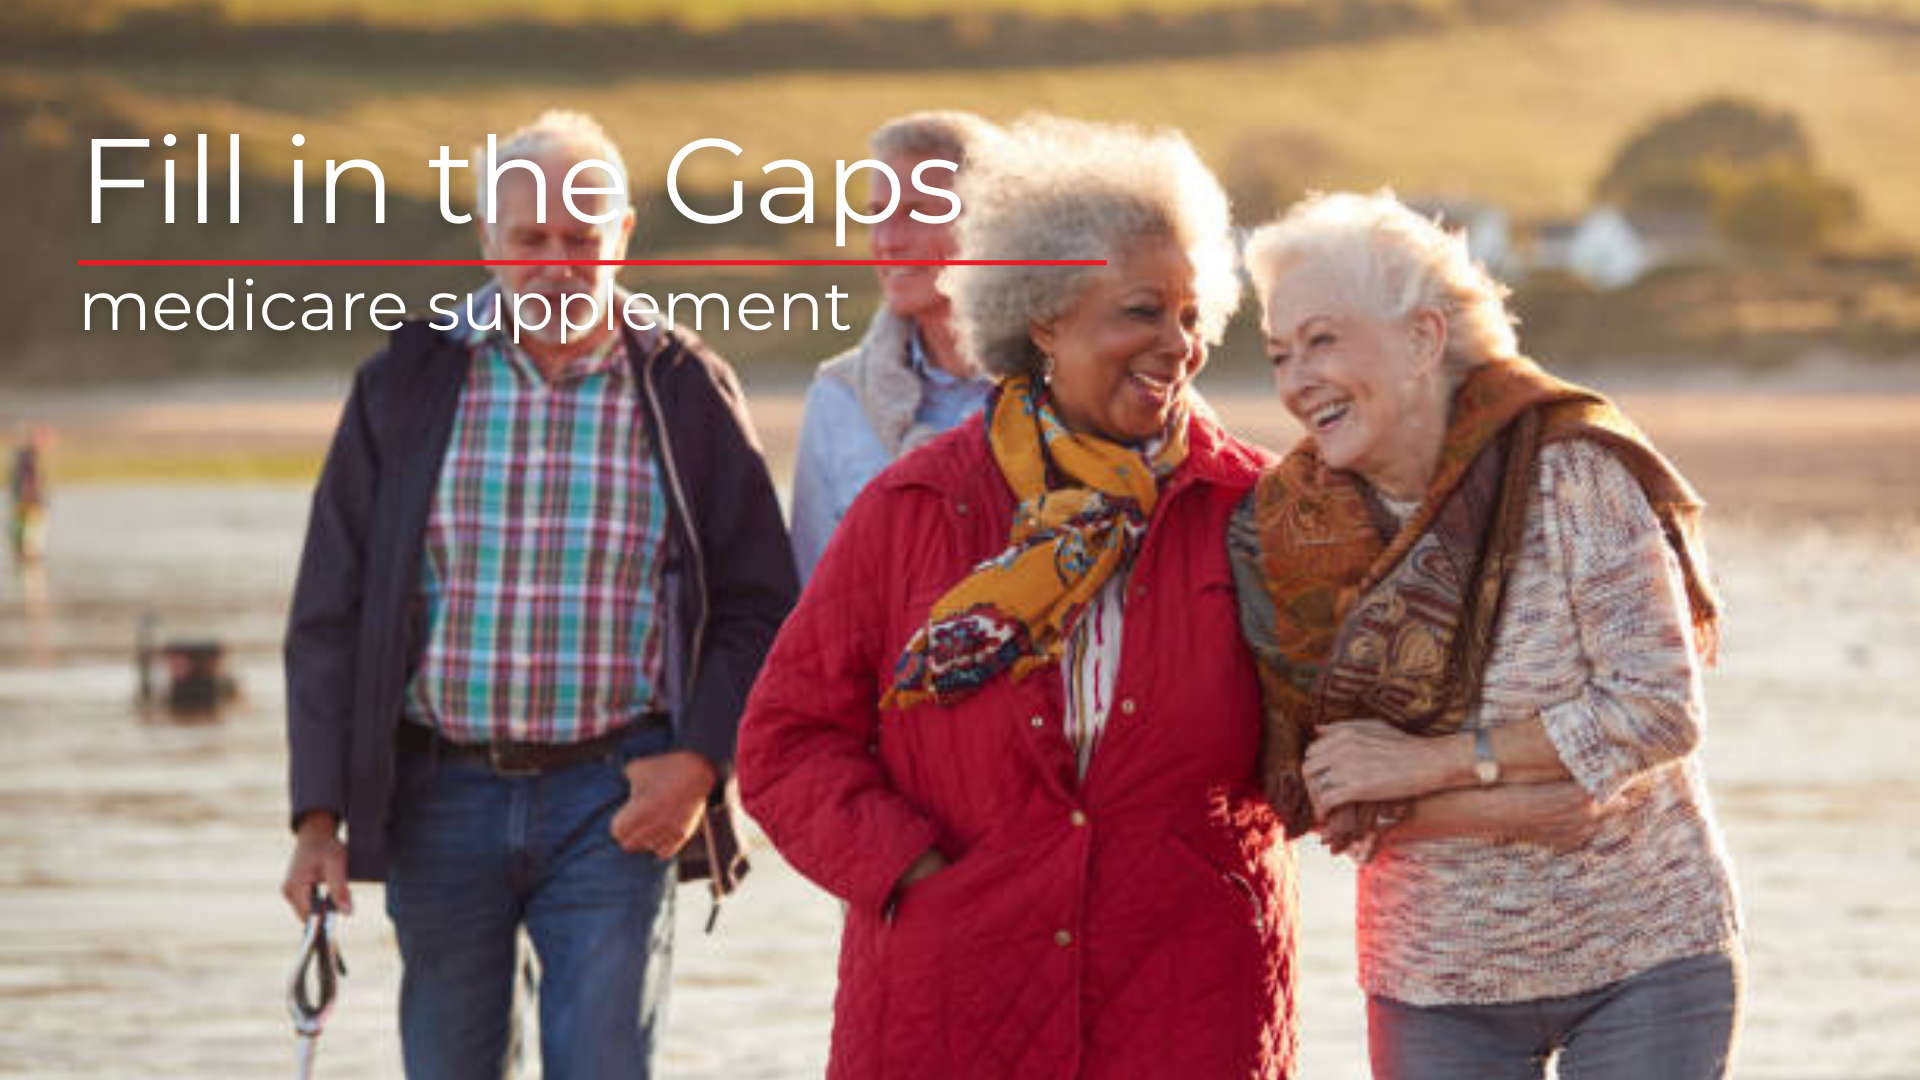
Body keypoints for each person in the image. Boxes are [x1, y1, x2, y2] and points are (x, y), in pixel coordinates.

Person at [737, 116, 1299, 1080]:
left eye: (1191, 313)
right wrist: (907, 871)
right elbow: (786, 741)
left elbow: (1338, 737)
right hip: (951, 997)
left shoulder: (1257, 509)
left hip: (1189, 998)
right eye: (1140, 313)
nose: (1179, 345)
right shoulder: (912, 504)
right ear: (1043, 317)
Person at [278, 110, 797, 1080]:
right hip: (437, 797)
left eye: (580, 239)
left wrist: (697, 763)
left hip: (621, 800)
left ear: (623, 240)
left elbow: (760, 604)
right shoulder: (405, 385)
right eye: (530, 240)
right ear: (489, 243)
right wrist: (318, 820)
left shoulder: (687, 390)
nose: (556, 264)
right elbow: (329, 617)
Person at [1231, 189, 1742, 1080]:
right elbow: (1331, 791)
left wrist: (1426, 768)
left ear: (1424, 339)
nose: (1296, 378)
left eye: (1322, 339)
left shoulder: (1570, 468)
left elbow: (1658, 707)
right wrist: (1529, 799)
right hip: (1433, 978)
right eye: (1279, 353)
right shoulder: (1284, 527)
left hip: (1646, 953)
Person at [788, 110, 999, 581]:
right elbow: (813, 600)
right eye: (876, 215)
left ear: (993, 227)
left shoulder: (1073, 389)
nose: (887, 241)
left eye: (919, 213)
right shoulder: (837, 397)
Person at [8, 426, 49, 562]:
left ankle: (24, 556)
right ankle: (27, 558)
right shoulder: (29, 457)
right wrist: (30, 496)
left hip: (26, 502)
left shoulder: (23, 455)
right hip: (28, 502)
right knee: (28, 537)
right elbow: (28, 481)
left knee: (22, 534)